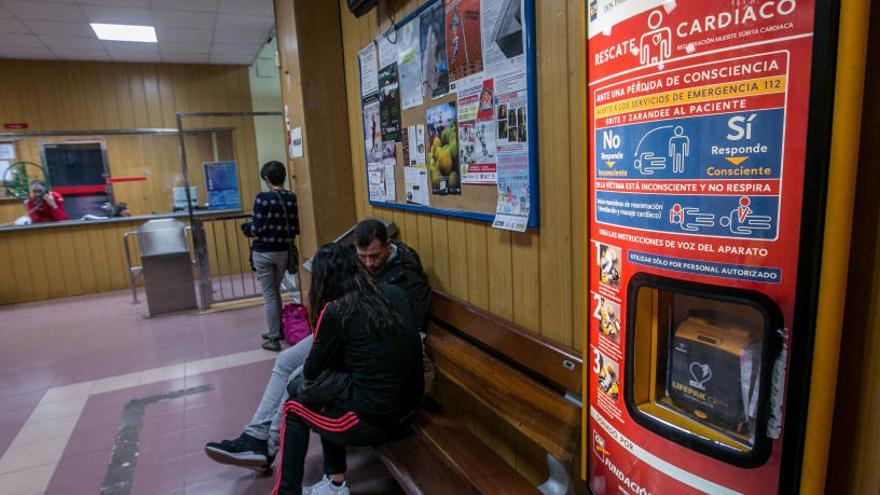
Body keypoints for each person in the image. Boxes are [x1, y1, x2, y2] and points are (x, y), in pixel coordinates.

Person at [205, 220, 430, 474]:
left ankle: (267, 447)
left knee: (298, 377)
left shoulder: (407, 276)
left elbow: (413, 333)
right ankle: (255, 435)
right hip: (349, 327)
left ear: (388, 247)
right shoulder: (364, 266)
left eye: (375, 256)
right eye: (362, 256)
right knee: (286, 360)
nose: (368, 263)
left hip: (366, 342)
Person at [273, 243, 423, 495]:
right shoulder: (393, 292)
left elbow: (310, 371)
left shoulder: (336, 310)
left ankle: (286, 492)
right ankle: (335, 482)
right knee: (327, 394)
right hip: (410, 407)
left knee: (294, 407)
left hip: (377, 420)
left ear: (322, 279)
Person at [252, 161, 300, 352]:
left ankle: (273, 338)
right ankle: (278, 329)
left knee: (270, 295)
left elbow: (256, 229)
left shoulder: (262, 198)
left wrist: (249, 228)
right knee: (275, 292)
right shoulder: (291, 197)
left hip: (263, 252)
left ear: (267, 178)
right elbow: (296, 227)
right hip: (283, 251)